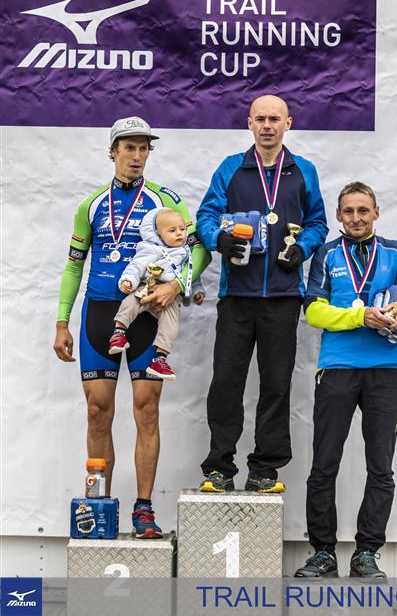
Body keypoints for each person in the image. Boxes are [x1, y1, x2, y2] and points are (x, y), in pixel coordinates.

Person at [53, 116, 210, 538]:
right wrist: (62, 321)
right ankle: (99, 507)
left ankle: (144, 509)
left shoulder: (164, 200)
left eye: (144, 148)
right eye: (129, 148)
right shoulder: (90, 205)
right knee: (97, 411)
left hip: (147, 314)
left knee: (147, 411)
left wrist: (176, 285)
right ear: (113, 152)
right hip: (100, 313)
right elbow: (73, 267)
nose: (137, 156)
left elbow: (200, 252)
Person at [294, 181, 397, 579]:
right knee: (324, 464)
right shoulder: (327, 254)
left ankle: (366, 553)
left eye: (363, 210)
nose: (356, 218)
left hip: (386, 371)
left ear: (376, 212)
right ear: (338, 216)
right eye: (349, 211)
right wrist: (360, 316)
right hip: (337, 368)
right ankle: (323, 553)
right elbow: (314, 311)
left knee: (381, 467)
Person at [196, 94, 328, 494]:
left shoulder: (303, 170)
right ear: (249, 123)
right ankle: (219, 467)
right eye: (260, 119)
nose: (267, 125)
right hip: (237, 293)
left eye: (274, 119)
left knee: (276, 384)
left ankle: (265, 469)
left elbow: (318, 222)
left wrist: (302, 247)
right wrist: (218, 240)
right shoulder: (231, 168)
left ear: (288, 123)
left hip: (284, 297)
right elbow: (205, 216)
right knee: (226, 382)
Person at [109, 208, 205, 381]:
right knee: (131, 302)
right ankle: (119, 333)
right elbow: (137, 265)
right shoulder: (152, 249)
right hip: (149, 286)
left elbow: (191, 274)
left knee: (171, 324)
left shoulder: (187, 253)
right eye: (172, 230)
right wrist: (128, 280)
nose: (179, 233)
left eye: (182, 229)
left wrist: (197, 291)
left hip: (171, 297)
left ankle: (160, 359)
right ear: (158, 234)